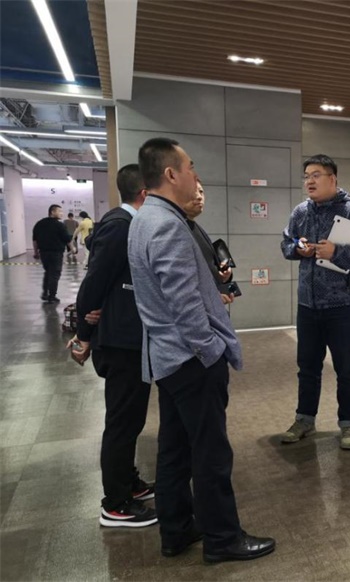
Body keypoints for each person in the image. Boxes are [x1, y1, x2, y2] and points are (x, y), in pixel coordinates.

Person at [128, 137, 275, 563]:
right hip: (190, 359)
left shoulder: (146, 217)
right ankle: (223, 539)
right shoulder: (167, 225)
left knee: (175, 450)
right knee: (211, 453)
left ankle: (177, 530)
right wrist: (210, 349)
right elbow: (184, 302)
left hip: (167, 358)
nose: (196, 175)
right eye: (190, 167)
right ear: (171, 173)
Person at [67, 164, 157, 528]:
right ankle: (116, 503)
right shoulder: (121, 226)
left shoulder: (129, 225)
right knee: (122, 420)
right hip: (121, 342)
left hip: (130, 336)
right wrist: (84, 334)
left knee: (131, 418)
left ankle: (128, 482)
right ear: (145, 193)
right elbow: (95, 281)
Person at [280, 154, 350, 450]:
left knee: (346, 368)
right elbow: (286, 244)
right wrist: (298, 249)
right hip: (307, 306)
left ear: (332, 179)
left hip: (342, 307)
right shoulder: (300, 212)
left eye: (316, 175)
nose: (309, 181)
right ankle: (304, 420)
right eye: (306, 176)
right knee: (307, 367)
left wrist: (336, 252)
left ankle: (347, 424)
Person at [182, 181, 235, 305]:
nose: (199, 196)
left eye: (201, 192)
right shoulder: (177, 230)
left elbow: (205, 269)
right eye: (193, 192)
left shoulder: (197, 228)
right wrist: (208, 299)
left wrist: (223, 276)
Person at [32, 204, 73, 303]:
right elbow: (67, 239)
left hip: (44, 253)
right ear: (52, 212)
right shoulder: (59, 225)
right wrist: (73, 248)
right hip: (56, 253)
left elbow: (35, 240)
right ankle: (52, 296)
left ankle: (45, 293)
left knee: (48, 272)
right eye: (59, 211)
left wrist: (35, 252)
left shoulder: (39, 224)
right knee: (54, 274)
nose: (62, 213)